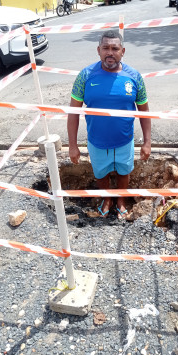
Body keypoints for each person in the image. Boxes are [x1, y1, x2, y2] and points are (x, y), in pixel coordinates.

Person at [67, 30, 151, 219]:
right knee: (101, 173)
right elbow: (73, 113)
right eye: (106, 48)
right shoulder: (85, 76)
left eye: (115, 48)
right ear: (98, 50)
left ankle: (120, 200)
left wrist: (147, 142)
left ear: (123, 51)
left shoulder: (134, 77)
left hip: (125, 141)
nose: (110, 53)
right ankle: (107, 199)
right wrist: (73, 146)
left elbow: (144, 111)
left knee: (124, 172)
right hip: (97, 142)